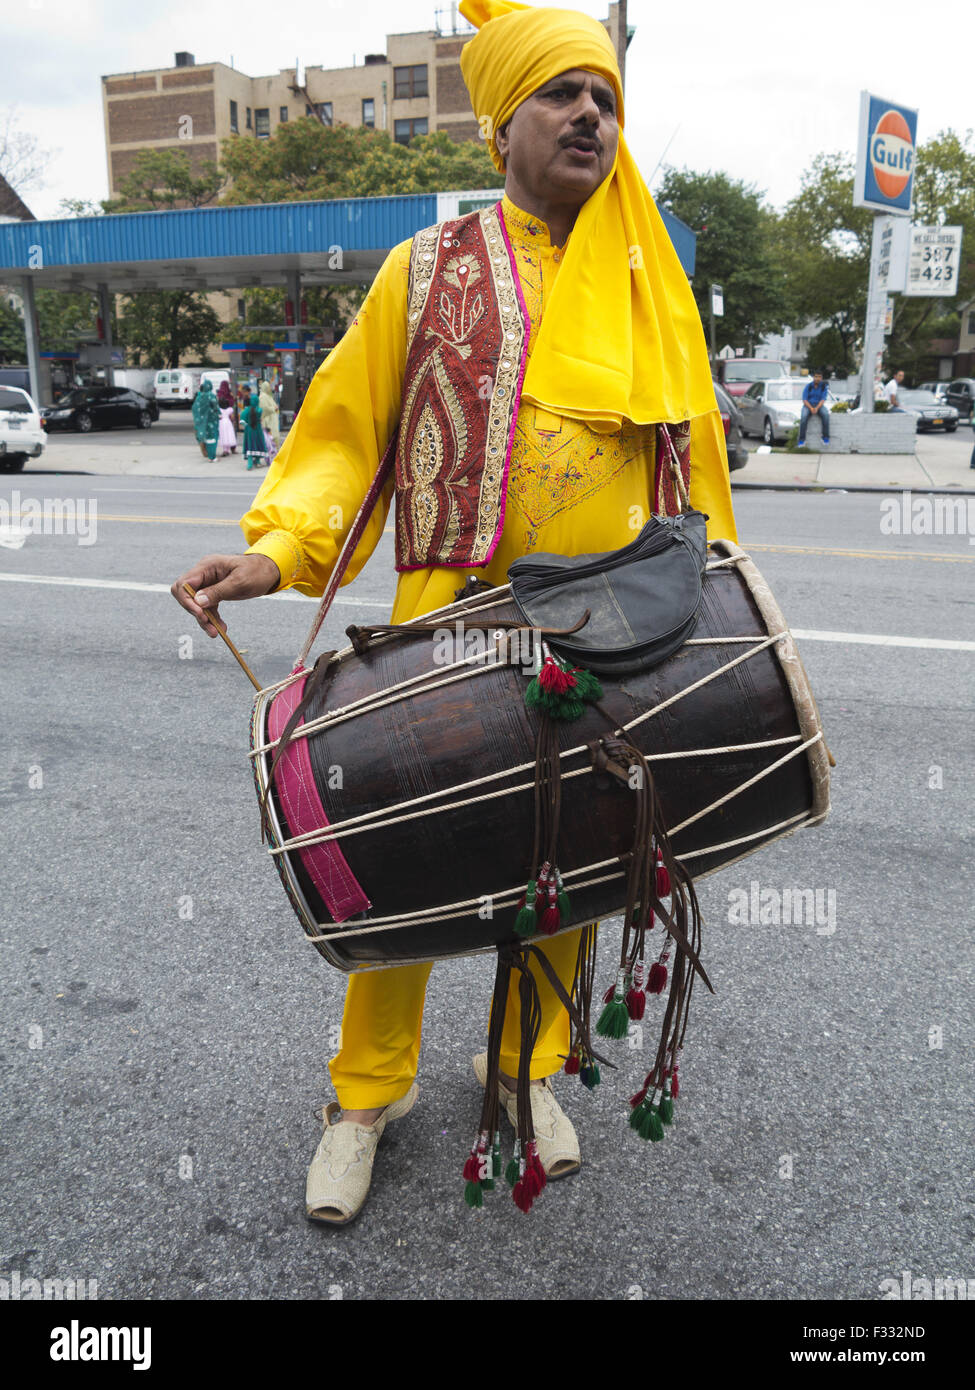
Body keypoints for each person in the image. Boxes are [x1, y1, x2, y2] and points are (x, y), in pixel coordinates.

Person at [172, 0, 738, 1227]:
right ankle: (363, 1099)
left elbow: (693, 475)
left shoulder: (651, 288)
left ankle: (527, 1072)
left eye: (606, 99)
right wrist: (277, 553)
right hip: (446, 626)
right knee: (404, 857)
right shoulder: (425, 271)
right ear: (502, 127)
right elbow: (341, 435)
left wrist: (726, 616)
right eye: (563, 95)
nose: (591, 114)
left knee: (565, 871)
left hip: (603, 641)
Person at [797, 370, 830, 448]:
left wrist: (816, 408)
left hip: (819, 405)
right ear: (813, 377)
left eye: (819, 377)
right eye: (816, 377)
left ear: (821, 378)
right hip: (808, 405)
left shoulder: (823, 387)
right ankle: (802, 440)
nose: (817, 378)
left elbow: (823, 400)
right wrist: (811, 408)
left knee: (826, 415)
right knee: (804, 417)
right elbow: (804, 400)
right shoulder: (808, 386)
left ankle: (825, 437)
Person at [190, 379, 219, 460]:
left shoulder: (199, 397)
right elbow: (216, 407)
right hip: (211, 421)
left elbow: (194, 408)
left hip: (201, 422)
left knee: (203, 436)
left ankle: (205, 452)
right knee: (212, 438)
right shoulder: (211, 395)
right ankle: (212, 455)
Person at [240, 389, 268, 470]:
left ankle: (250, 463)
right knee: (258, 444)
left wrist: (246, 426)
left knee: (250, 445)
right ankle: (258, 461)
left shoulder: (246, 410)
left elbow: (242, 420)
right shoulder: (259, 410)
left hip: (249, 430)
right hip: (258, 430)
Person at [259, 379, 280, 456]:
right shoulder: (263, 397)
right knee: (272, 436)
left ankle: (276, 452)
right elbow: (264, 408)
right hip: (268, 420)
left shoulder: (268, 396)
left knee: (275, 436)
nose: (270, 388)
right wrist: (274, 409)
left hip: (272, 419)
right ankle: (273, 452)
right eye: (268, 387)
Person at [216, 381, 237, 456]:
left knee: (224, 434)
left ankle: (225, 450)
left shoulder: (219, 394)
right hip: (229, 418)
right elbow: (232, 402)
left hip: (222, 421)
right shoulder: (229, 394)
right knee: (231, 433)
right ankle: (233, 449)